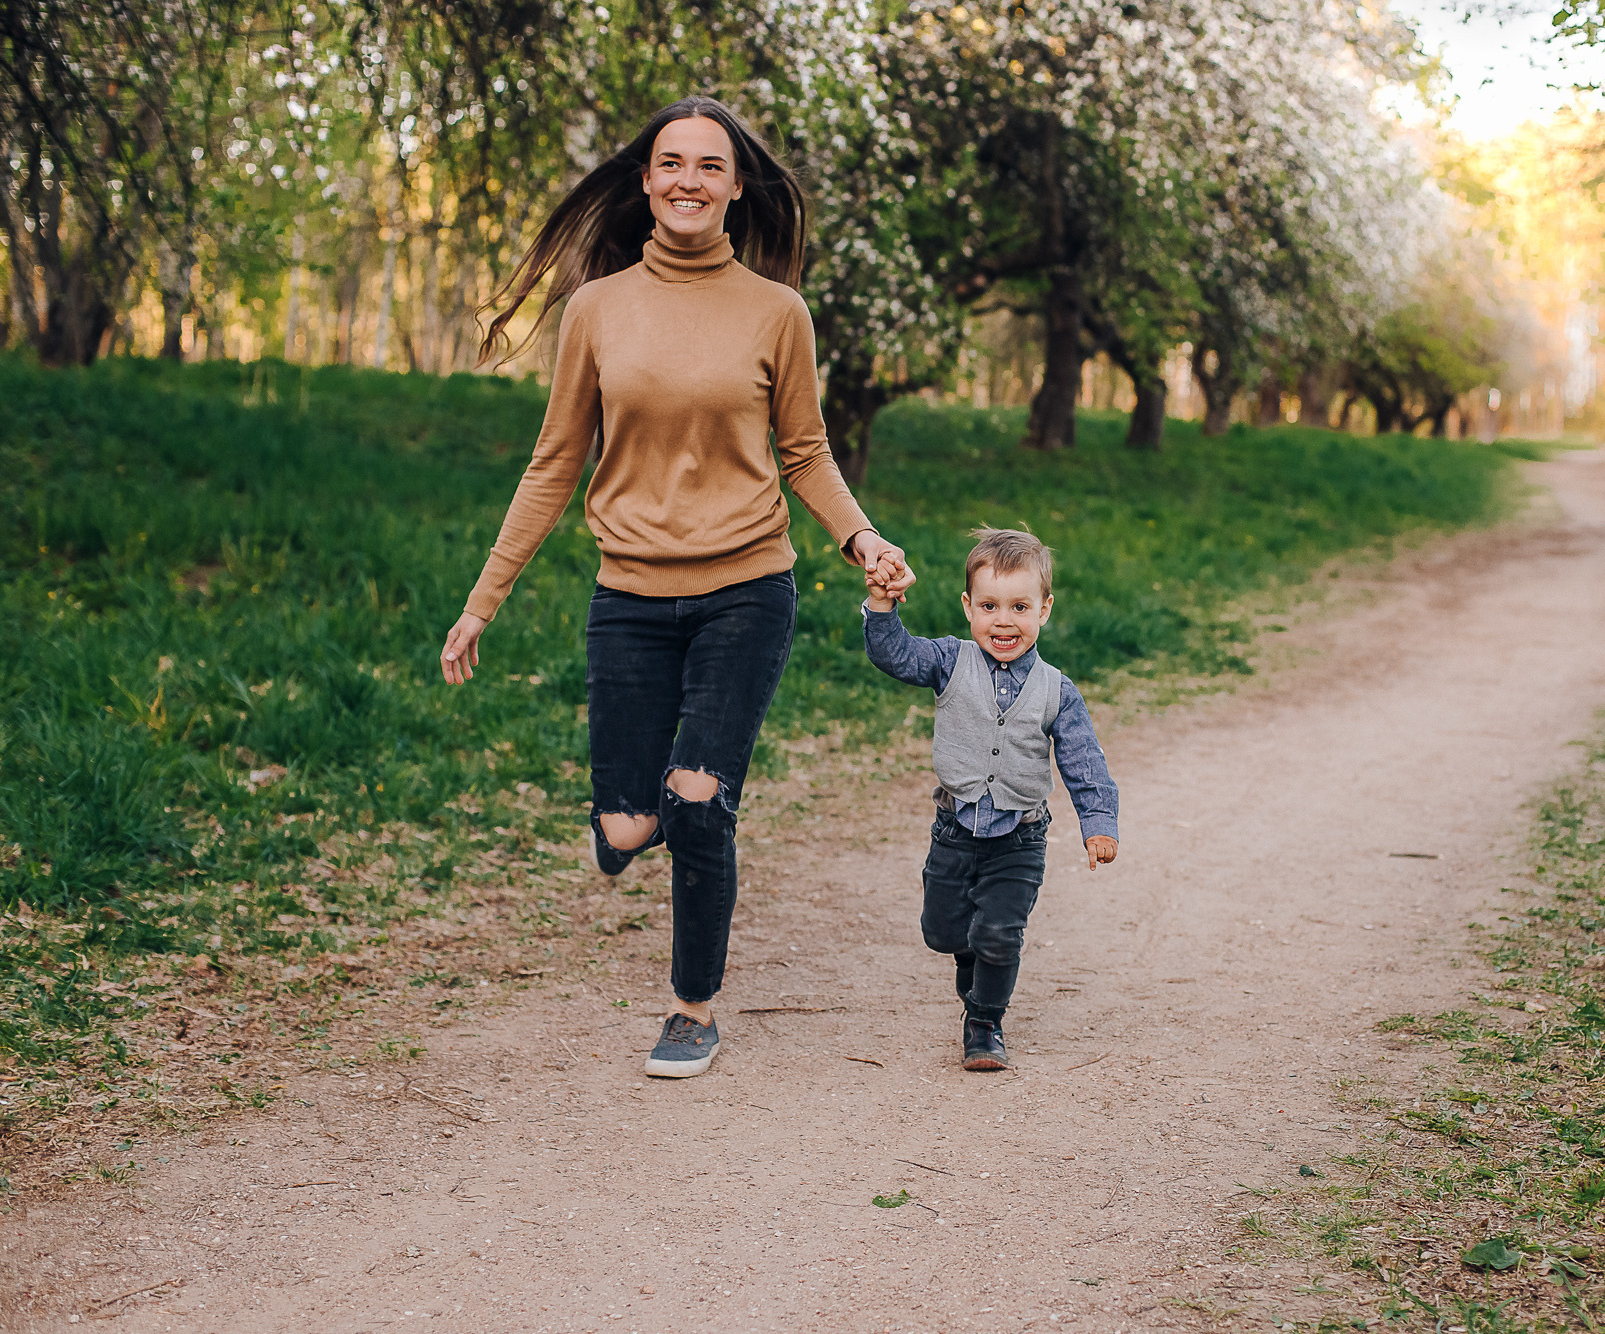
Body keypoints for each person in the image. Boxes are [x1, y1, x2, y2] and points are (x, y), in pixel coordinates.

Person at [439, 95, 916, 1079]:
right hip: (627, 599)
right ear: (645, 181)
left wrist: (861, 537)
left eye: (709, 165)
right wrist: (481, 600)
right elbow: (552, 464)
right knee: (626, 823)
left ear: (737, 187)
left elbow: (804, 451)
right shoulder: (597, 310)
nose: (688, 180)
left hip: (747, 589)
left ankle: (691, 1008)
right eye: (671, 163)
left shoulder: (777, 313)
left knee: (699, 800)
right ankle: (633, 820)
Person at [861, 528, 1119, 1071]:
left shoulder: (1057, 690)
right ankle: (972, 961)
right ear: (968, 607)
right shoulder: (947, 662)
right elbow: (894, 655)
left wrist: (1097, 822)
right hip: (954, 831)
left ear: (1045, 609)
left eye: (1020, 606)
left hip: (1020, 838)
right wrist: (882, 605)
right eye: (990, 606)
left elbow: (1083, 760)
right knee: (944, 932)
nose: (1004, 621)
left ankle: (984, 1021)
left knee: (1000, 933)